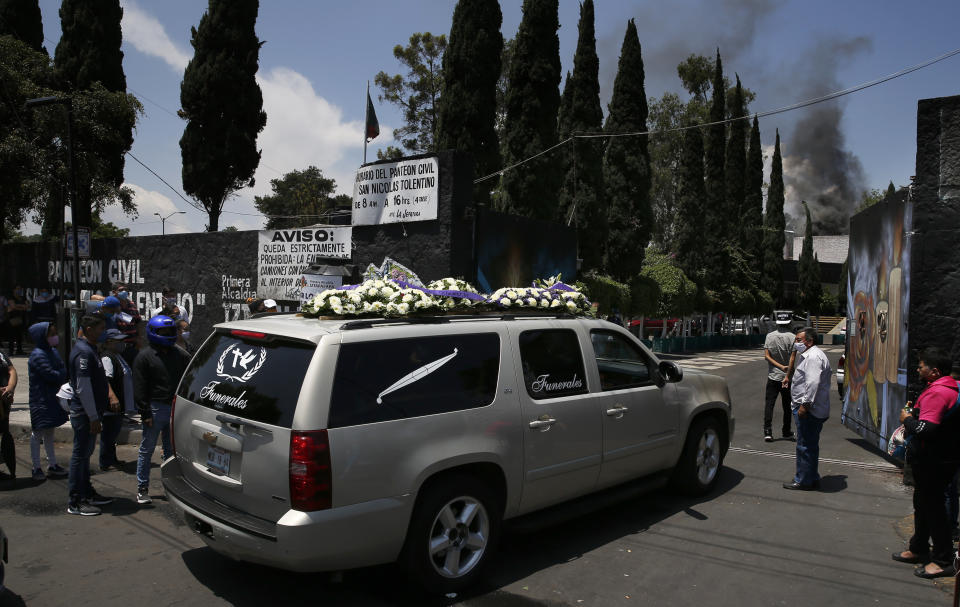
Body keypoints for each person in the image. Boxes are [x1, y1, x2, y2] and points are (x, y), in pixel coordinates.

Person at [892, 347, 960, 578]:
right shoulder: (951, 387)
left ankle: (943, 559)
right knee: (922, 504)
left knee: (934, 509)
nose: (918, 369)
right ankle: (918, 548)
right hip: (940, 458)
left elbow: (927, 429)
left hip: (934, 460)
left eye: (922, 366)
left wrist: (907, 419)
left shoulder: (938, 393)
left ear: (934, 371)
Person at [134, 315, 190, 505]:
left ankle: (170, 488)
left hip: (175, 409)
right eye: (163, 332)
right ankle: (142, 488)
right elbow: (140, 387)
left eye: (170, 331)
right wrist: (145, 412)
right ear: (153, 333)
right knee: (146, 450)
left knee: (170, 452)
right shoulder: (144, 356)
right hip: (154, 409)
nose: (167, 335)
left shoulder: (180, 354)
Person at [66, 315, 115, 515]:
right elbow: (83, 387)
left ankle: (87, 492)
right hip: (85, 414)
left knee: (85, 455)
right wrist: (93, 416)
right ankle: (76, 501)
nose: (102, 331)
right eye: (100, 328)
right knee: (80, 456)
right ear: (87, 329)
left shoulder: (90, 350)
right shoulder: (83, 353)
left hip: (91, 413)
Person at [783, 327, 831, 491]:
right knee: (810, 445)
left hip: (809, 410)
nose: (796, 343)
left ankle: (803, 480)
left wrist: (804, 406)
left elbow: (812, 384)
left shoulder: (812, 357)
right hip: (812, 408)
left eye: (798, 340)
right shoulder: (812, 355)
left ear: (809, 341)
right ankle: (811, 476)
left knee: (804, 445)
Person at [27, 322, 69, 481]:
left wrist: (60, 372)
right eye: (51, 334)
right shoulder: (38, 355)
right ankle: (36, 467)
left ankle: (52, 464)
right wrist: (61, 372)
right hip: (40, 399)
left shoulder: (52, 352)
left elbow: (61, 370)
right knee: (37, 434)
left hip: (51, 398)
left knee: (50, 433)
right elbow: (53, 374)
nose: (54, 336)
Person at [99, 329, 134, 472]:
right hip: (112, 405)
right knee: (108, 433)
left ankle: (112, 458)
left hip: (120, 404)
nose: (122, 344)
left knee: (113, 433)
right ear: (109, 342)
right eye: (118, 341)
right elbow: (106, 380)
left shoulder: (118, 356)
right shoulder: (107, 357)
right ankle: (105, 461)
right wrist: (112, 397)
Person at [763, 311, 796, 442]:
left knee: (769, 405)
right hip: (787, 377)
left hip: (772, 376)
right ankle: (786, 431)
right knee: (787, 406)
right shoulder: (793, 337)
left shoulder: (769, 336)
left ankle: (767, 431)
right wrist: (785, 371)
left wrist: (778, 366)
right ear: (788, 322)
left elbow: (766, 356)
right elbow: (792, 359)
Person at [112, 283, 142, 366]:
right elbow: (94, 297)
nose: (124, 292)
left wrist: (139, 339)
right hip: (117, 347)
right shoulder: (110, 305)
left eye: (126, 290)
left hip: (132, 347)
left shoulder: (131, 304)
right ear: (114, 292)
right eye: (121, 290)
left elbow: (137, 322)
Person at [0, 349, 17, 481]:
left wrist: (10, 387)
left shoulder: (1, 353)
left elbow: (11, 370)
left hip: (3, 402)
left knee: (4, 432)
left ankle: (10, 471)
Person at [7, 286, 29, 355]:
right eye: (17, 289)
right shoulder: (11, 297)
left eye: (20, 289)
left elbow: (27, 306)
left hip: (21, 318)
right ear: (14, 290)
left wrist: (17, 306)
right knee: (12, 335)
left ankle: (19, 350)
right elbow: (12, 306)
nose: (19, 290)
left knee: (19, 335)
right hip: (12, 318)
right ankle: (11, 351)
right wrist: (22, 306)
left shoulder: (23, 297)